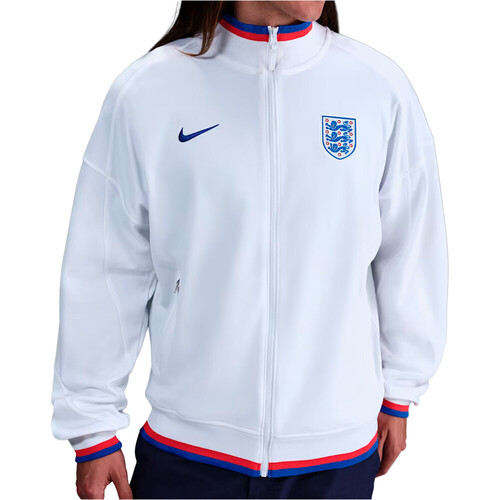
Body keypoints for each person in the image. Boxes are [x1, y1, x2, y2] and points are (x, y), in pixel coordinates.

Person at [50, 1, 448, 498]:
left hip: (335, 459)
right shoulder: (149, 91)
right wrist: (91, 428)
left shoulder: (377, 88)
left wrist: (400, 392)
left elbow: (410, 253)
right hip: (189, 454)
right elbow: (107, 267)